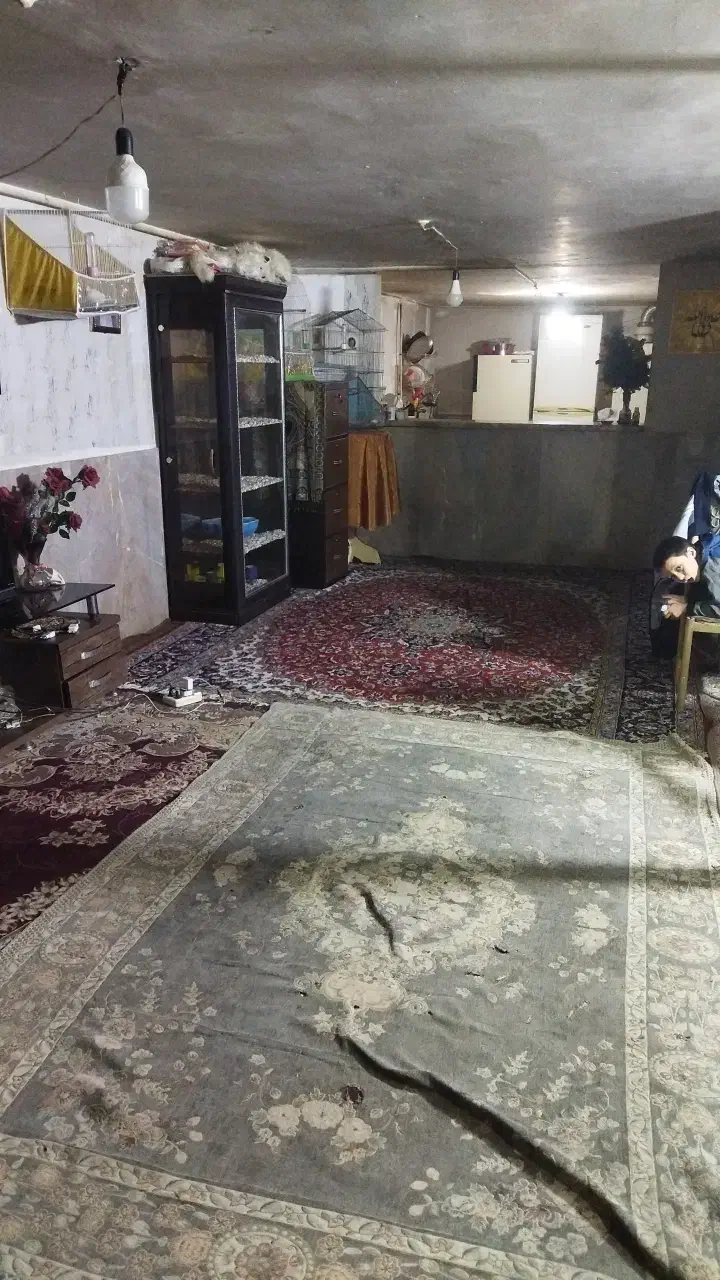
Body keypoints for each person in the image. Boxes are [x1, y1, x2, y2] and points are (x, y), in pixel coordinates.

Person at [652, 534, 720, 621]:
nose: (680, 578)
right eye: (673, 576)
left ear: (691, 553)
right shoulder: (702, 553)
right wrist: (687, 599)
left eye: (679, 568)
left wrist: (686, 608)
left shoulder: (713, 569)